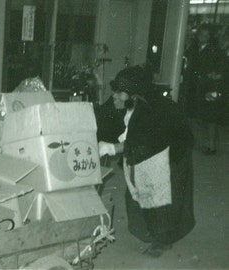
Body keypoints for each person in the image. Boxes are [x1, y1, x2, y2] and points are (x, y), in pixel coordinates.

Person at [98, 65, 195, 257]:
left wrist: (112, 148)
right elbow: (103, 117)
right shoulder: (126, 100)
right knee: (137, 193)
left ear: (133, 96)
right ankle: (150, 231)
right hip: (146, 154)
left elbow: (146, 142)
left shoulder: (153, 111)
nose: (115, 97)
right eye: (115, 92)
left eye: (120, 93)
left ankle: (162, 240)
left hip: (170, 157)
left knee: (160, 200)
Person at [184, 23, 226, 155]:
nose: (203, 37)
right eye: (201, 34)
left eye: (206, 35)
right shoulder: (193, 48)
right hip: (194, 86)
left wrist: (216, 75)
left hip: (208, 86)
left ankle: (211, 146)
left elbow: (222, 67)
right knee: (197, 116)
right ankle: (201, 143)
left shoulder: (215, 50)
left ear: (210, 37)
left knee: (209, 117)